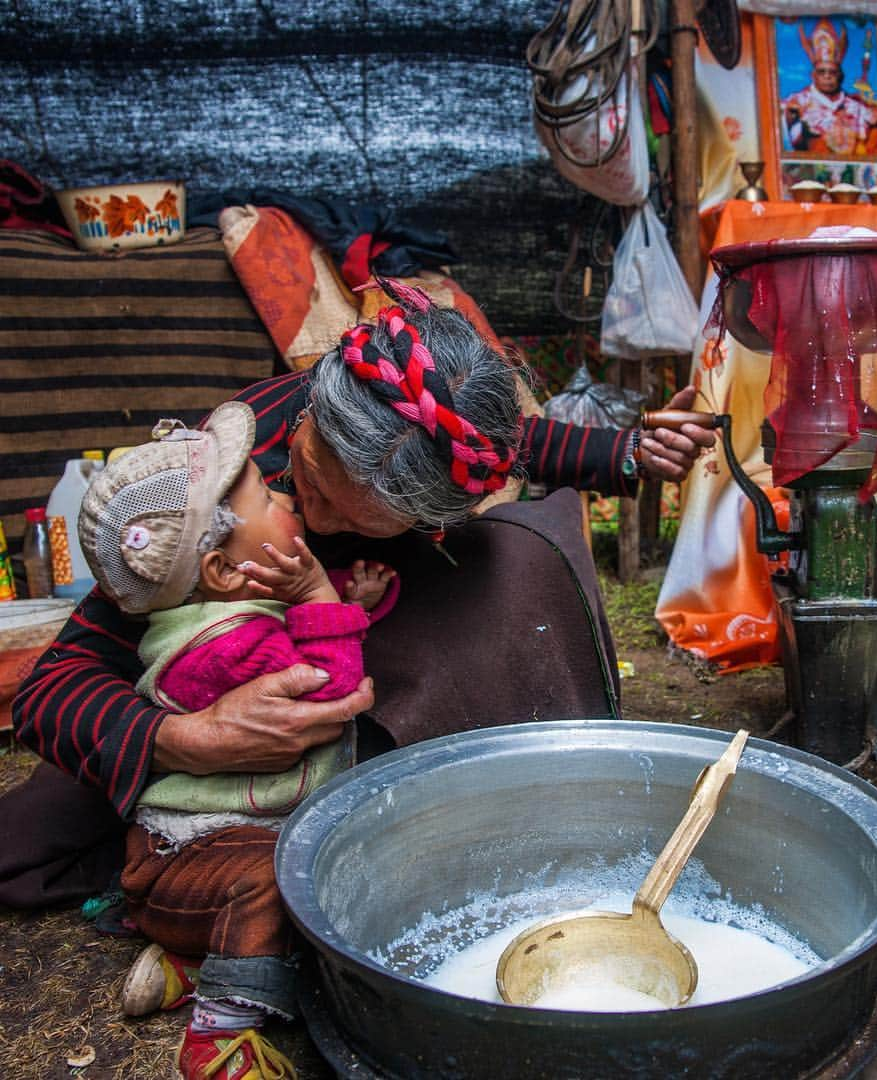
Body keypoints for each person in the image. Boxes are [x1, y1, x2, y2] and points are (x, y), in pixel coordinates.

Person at [7, 283, 714, 1066]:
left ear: (429, 520)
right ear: (308, 417)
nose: (310, 521)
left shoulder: (431, 467)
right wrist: (188, 739)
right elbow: (53, 685)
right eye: (306, 484)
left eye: (353, 521)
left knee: (521, 572)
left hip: (355, 642)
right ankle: (214, 918)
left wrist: (622, 453)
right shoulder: (215, 483)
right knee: (31, 845)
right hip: (216, 693)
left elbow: (503, 440)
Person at [77, 399, 399, 1077]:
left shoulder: (224, 610)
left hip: (196, 862)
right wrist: (317, 597)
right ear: (224, 572)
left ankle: (189, 958)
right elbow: (330, 685)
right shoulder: (222, 649)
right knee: (278, 877)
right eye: (266, 496)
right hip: (186, 864)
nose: (286, 497)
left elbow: (279, 622)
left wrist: (345, 600)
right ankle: (220, 1035)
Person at [781, 19, 877, 157]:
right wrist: (790, 121)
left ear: (840, 75)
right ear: (813, 75)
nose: (827, 77)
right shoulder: (796, 103)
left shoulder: (857, 107)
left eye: (832, 72)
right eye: (822, 72)